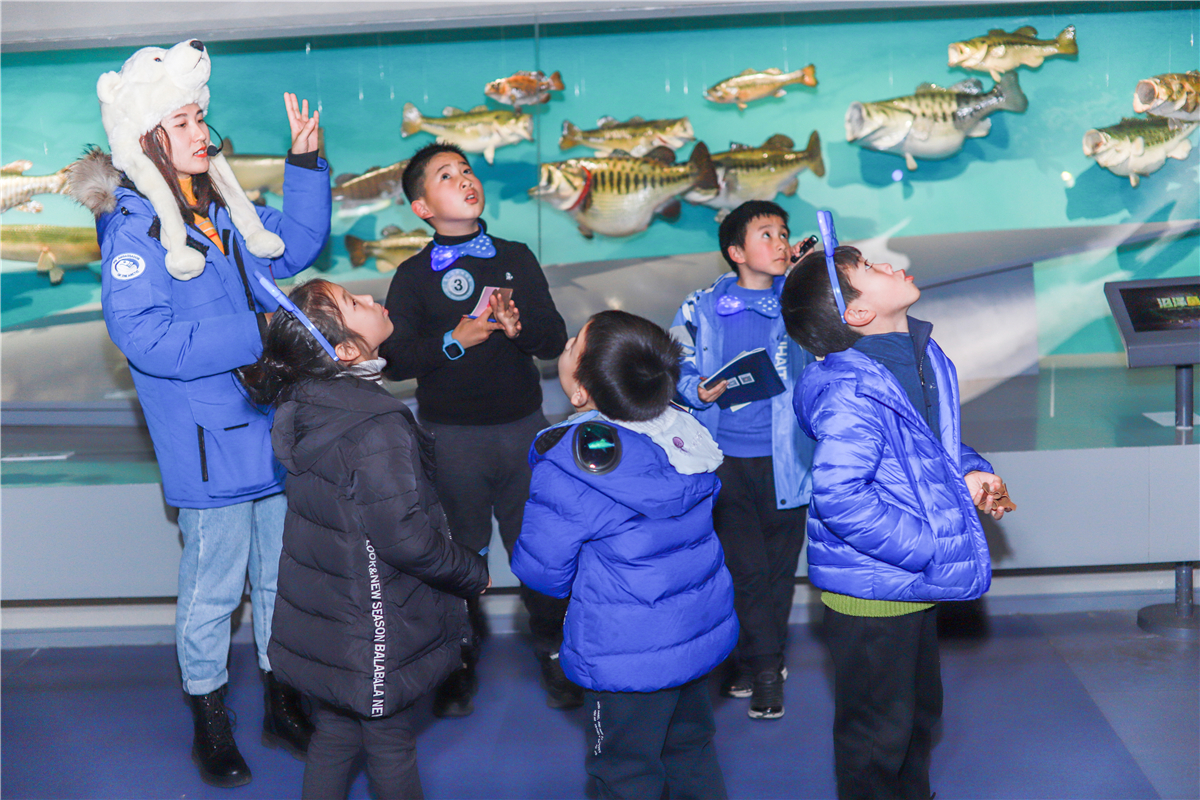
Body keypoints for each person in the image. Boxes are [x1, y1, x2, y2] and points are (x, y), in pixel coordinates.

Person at [69, 39, 330, 788]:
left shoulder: (224, 209)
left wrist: (305, 163)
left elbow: (294, 245)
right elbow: (147, 342)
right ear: (144, 139)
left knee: (280, 578)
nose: (200, 134)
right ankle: (209, 721)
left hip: (270, 428)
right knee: (213, 593)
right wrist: (260, 330)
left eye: (198, 119)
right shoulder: (136, 230)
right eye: (180, 123)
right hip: (208, 443)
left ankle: (283, 702)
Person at [238, 278, 491, 799]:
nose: (373, 300)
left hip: (330, 616)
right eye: (355, 304)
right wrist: (471, 571)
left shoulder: (308, 403)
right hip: (373, 622)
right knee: (390, 743)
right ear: (347, 352)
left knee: (335, 733)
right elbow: (405, 537)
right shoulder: (374, 425)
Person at [780, 239, 1013, 800]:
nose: (885, 264)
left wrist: (971, 472)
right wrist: (928, 546)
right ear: (859, 313)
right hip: (875, 592)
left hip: (910, 584)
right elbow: (842, 498)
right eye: (866, 268)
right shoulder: (849, 390)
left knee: (918, 719)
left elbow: (932, 447)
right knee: (876, 737)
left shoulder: (918, 357)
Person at [379, 142, 574, 717]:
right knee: (458, 555)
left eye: (466, 170)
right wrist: (453, 341)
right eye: (446, 175)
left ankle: (554, 647)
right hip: (450, 439)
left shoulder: (515, 256)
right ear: (422, 208)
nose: (465, 178)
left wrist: (518, 328)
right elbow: (395, 361)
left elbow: (554, 340)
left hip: (524, 430)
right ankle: (457, 657)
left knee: (539, 549)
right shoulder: (412, 276)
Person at [511, 310, 739, 800]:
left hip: (623, 652)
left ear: (579, 391)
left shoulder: (570, 462)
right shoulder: (685, 436)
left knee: (623, 772)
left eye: (572, 344)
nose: (565, 344)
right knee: (690, 750)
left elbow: (542, 571)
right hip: (692, 634)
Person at [671, 200, 816, 720]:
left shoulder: (799, 301)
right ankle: (766, 672)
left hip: (788, 459)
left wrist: (807, 279)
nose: (780, 242)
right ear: (736, 251)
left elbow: (836, 334)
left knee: (778, 571)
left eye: (783, 232)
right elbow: (675, 361)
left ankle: (755, 660)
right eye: (765, 234)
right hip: (723, 458)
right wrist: (694, 388)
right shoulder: (701, 305)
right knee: (745, 571)